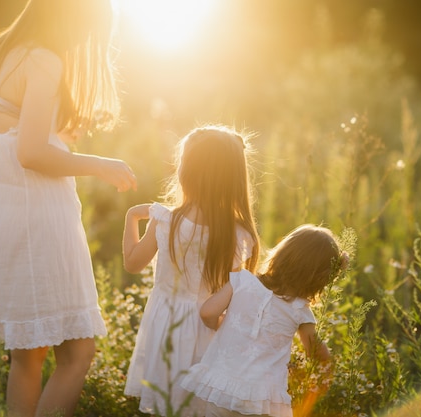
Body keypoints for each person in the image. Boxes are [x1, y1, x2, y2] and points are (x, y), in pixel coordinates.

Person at [0, 1, 136, 416]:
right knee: (78, 354)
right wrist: (100, 165)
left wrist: (55, 135)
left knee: (27, 357)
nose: (84, 41)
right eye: (88, 30)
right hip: (36, 219)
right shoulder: (44, 58)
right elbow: (29, 153)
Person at [122, 125, 260, 416]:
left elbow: (132, 264)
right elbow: (232, 293)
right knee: (200, 406)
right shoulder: (236, 233)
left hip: (166, 326)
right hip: (207, 328)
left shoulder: (166, 220)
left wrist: (132, 216)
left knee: (169, 403)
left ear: (187, 172)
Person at [180, 224, 349, 417]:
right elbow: (316, 352)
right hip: (263, 400)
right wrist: (324, 372)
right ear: (318, 279)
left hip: (222, 386)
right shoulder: (299, 310)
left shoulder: (241, 281)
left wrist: (221, 324)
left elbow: (207, 313)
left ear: (281, 255)